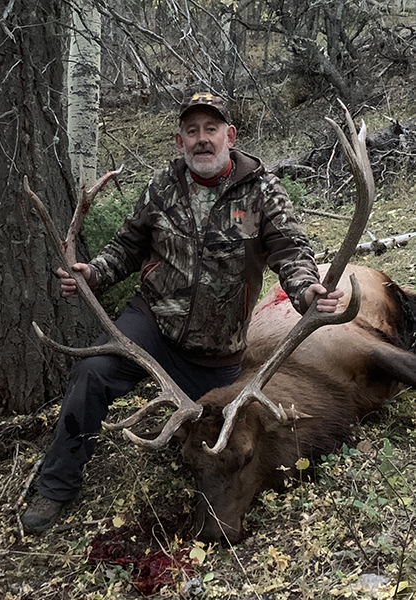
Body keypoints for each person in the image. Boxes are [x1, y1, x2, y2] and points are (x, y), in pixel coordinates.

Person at [22, 92, 343, 533]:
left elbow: (291, 250)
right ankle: (56, 486)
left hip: (219, 352)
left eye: (211, 129)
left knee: (223, 440)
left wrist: (306, 290)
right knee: (92, 372)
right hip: (152, 326)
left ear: (230, 135)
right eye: (192, 131)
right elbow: (127, 247)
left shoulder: (261, 192)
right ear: (179, 140)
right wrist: (93, 273)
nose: (202, 140)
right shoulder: (162, 188)